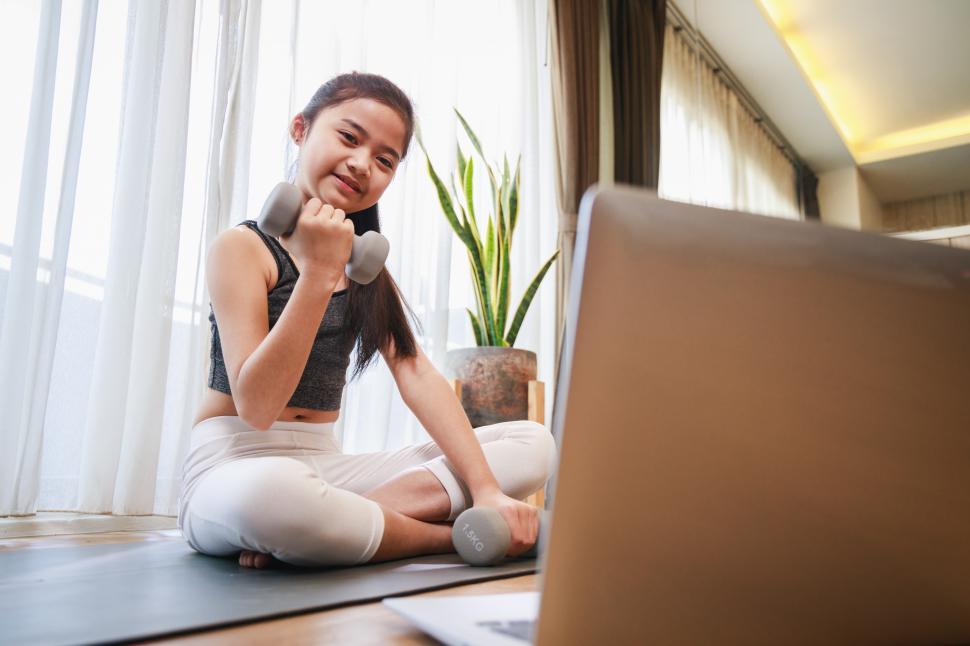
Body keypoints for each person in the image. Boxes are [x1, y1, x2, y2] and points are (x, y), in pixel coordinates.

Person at [177, 72, 557, 569]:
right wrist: (317, 273)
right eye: (349, 137)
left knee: (533, 442)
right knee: (275, 497)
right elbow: (257, 407)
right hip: (233, 465)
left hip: (324, 469)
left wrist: (486, 491)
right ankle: (442, 539)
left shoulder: (366, 272)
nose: (361, 165)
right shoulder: (243, 248)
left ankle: (333, 526)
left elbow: (416, 374)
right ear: (300, 129)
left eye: (384, 160)